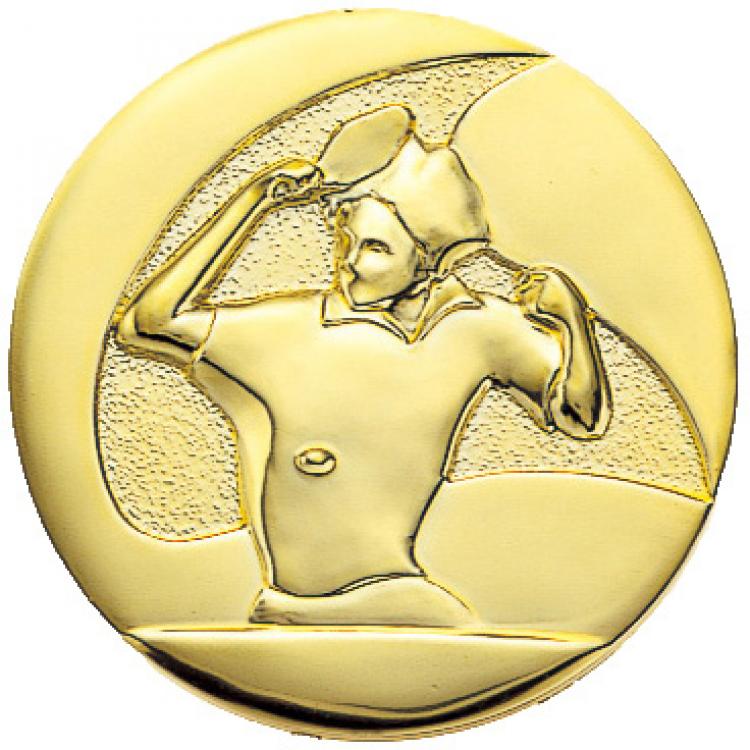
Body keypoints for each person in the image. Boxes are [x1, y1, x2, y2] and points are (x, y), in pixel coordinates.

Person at [115, 106, 611, 627]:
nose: (349, 263)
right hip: (283, 607)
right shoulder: (293, 326)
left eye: (375, 248)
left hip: (395, 601)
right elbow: (149, 324)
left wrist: (573, 321)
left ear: (428, 261)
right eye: (344, 241)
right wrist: (253, 202)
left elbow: (580, 416)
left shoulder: (475, 328)